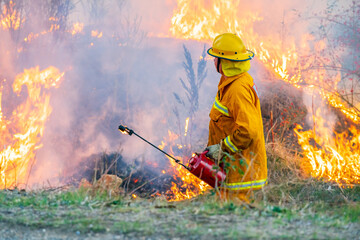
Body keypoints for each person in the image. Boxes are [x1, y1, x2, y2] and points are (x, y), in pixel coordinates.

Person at [205, 33, 267, 203]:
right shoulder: (231, 81)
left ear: (224, 61)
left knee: (236, 223)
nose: (213, 61)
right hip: (232, 171)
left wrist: (222, 148)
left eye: (215, 58)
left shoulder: (237, 90)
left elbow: (247, 131)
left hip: (240, 176)